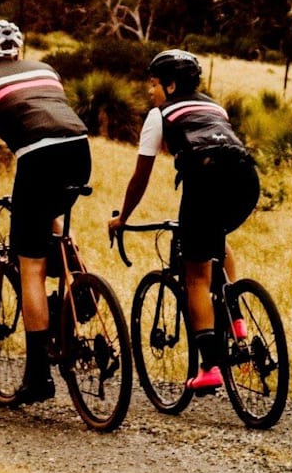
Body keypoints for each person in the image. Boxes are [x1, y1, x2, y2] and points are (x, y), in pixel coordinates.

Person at [0, 18, 92, 405]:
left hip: (38, 158)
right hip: (80, 149)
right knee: (51, 215)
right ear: (18, 51)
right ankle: (81, 283)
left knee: (31, 266)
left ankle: (38, 377)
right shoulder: (46, 70)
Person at [108, 48, 262, 392]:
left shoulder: (159, 114)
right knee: (217, 238)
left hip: (205, 182)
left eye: (154, 85)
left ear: (171, 85)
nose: (150, 92)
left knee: (195, 275)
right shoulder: (214, 106)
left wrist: (123, 218)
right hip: (247, 179)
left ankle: (210, 367)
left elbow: (140, 177)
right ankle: (237, 322)